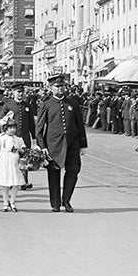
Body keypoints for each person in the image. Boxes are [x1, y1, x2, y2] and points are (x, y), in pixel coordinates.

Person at [35, 74, 87, 212]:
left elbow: (80, 125)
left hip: (72, 144)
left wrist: (82, 144)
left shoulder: (73, 103)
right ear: (51, 88)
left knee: (73, 170)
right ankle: (55, 203)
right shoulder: (46, 105)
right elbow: (39, 129)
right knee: (54, 173)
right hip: (53, 145)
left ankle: (67, 200)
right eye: (57, 86)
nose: (60, 88)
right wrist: (42, 147)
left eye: (62, 86)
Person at [3, 83, 37, 189]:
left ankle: (23, 182)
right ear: (13, 92)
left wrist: (34, 137)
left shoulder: (27, 105)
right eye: (18, 92)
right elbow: (2, 122)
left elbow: (31, 123)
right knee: (11, 160)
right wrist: (5, 135)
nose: (20, 94)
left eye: (22, 92)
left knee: (24, 159)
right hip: (12, 137)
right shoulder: (8, 105)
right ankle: (10, 181)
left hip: (24, 137)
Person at [0, 116, 26, 212]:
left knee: (16, 182)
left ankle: (12, 202)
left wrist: (22, 149)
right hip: (4, 161)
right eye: (10, 128)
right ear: (5, 129)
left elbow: (23, 149)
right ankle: (5, 202)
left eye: (14, 128)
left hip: (14, 162)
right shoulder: (1, 139)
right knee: (5, 183)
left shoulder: (18, 139)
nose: (12, 130)